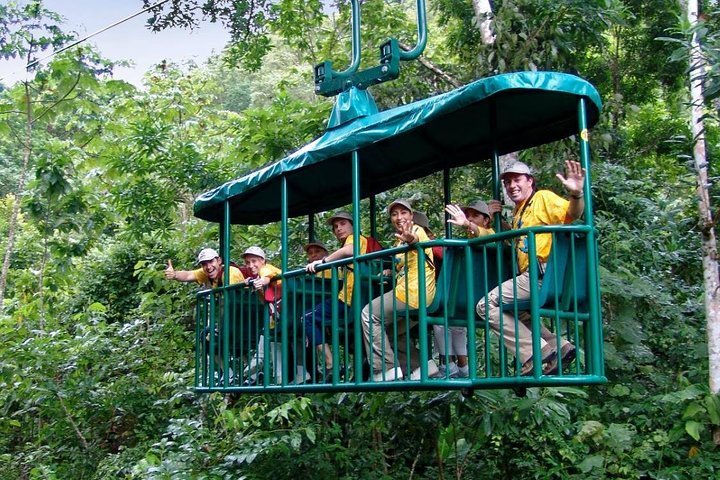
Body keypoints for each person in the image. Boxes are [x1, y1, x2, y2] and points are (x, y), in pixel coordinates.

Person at [477, 160, 581, 376]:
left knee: (485, 305)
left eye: (517, 180)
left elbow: (574, 214)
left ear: (529, 181)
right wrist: (494, 217)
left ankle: (535, 352)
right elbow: (512, 238)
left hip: (541, 275)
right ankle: (559, 346)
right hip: (539, 277)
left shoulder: (542, 197)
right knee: (518, 311)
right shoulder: (520, 211)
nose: (511, 185)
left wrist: (577, 194)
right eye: (507, 182)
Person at [362, 199, 437, 381]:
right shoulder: (399, 243)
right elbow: (405, 262)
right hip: (417, 294)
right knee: (389, 333)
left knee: (369, 314)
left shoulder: (416, 230)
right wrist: (390, 270)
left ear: (411, 216)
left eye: (403, 213)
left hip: (412, 292)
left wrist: (411, 238)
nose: (399, 217)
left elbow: (415, 241)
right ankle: (422, 366)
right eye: (394, 214)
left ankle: (385, 368)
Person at [303, 211, 370, 382]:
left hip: (348, 301)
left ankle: (331, 364)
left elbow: (350, 249)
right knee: (320, 321)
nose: (338, 228)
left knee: (307, 318)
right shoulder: (352, 243)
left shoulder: (356, 239)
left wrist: (323, 261)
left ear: (353, 226)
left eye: (342, 224)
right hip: (350, 298)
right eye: (335, 226)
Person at [164, 247, 244, 287]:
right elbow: (188, 275)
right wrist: (175, 275)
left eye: (211, 261)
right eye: (204, 264)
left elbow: (231, 298)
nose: (208, 267)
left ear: (219, 261)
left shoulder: (230, 273)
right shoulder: (209, 272)